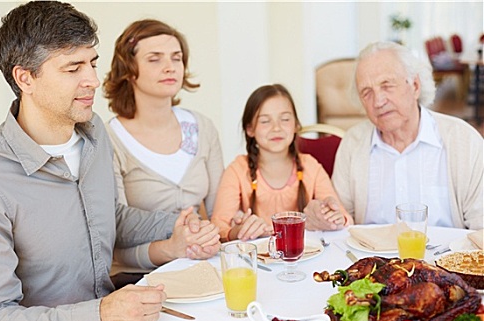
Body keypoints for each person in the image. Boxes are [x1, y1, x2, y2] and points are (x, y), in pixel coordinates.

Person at [0, 2, 219, 321]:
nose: (93, 80)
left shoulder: (93, 131)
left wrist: (175, 224)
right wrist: (100, 317)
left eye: (93, 63)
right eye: (73, 68)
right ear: (25, 78)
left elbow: (110, 217)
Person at [102, 19, 223, 286]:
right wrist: (171, 248)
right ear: (129, 70)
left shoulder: (202, 128)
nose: (170, 67)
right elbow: (114, 242)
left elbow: (219, 215)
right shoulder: (108, 140)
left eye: (176, 58)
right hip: (140, 281)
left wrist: (221, 231)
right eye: (154, 59)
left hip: (204, 268)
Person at [332, 41, 483, 230]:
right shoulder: (352, 144)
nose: (378, 101)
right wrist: (326, 218)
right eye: (366, 92)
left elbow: (481, 228)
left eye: (387, 85)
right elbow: (339, 224)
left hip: (447, 258)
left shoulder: (464, 141)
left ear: (415, 86)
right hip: (372, 260)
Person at [211, 84, 352, 242]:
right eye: (265, 121)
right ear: (250, 129)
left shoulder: (311, 167)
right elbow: (218, 225)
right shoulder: (237, 170)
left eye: (284, 119)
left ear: (296, 126)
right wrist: (237, 231)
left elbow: (346, 220)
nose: (276, 128)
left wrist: (332, 218)